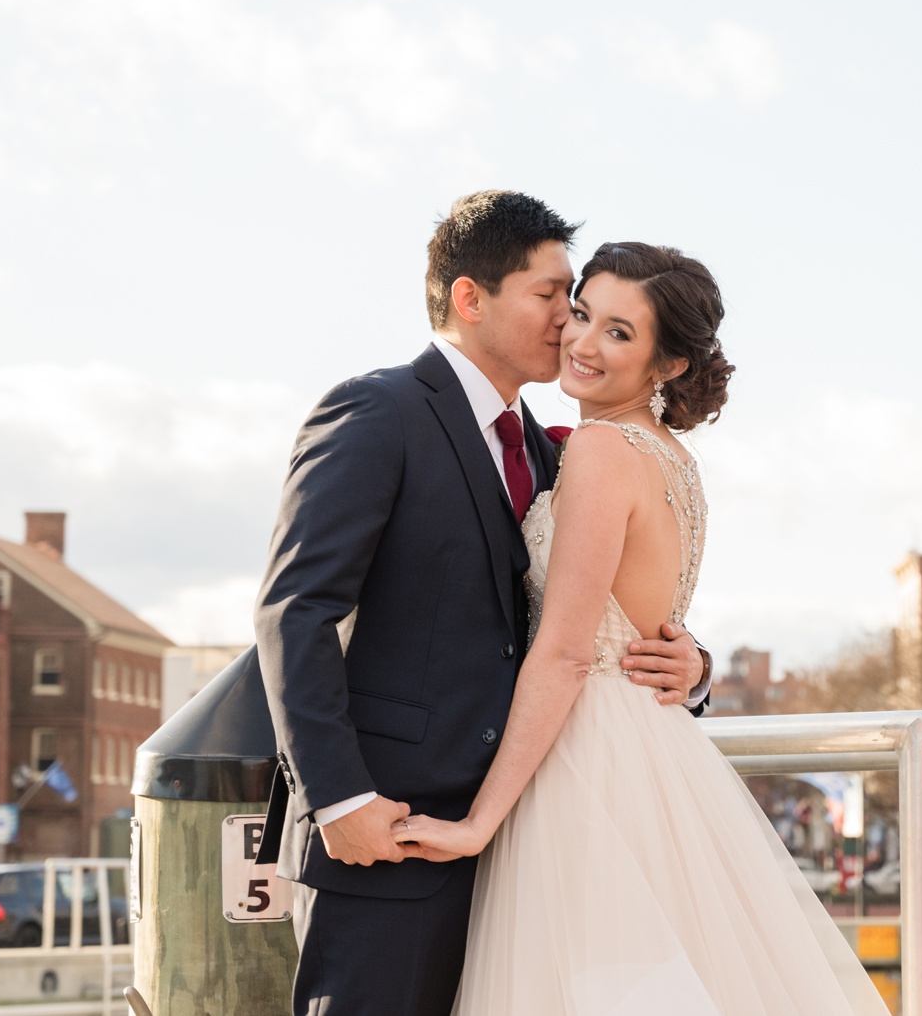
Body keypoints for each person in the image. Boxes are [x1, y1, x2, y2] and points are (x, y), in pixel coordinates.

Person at [397, 242, 887, 1014]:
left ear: (668, 366)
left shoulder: (597, 450)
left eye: (620, 333)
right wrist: (693, 661)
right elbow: (654, 622)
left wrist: (477, 823)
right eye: (583, 314)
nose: (584, 342)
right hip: (654, 756)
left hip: (585, 759)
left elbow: (563, 653)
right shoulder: (673, 460)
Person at [253, 193, 712, 1016]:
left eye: (587, 308)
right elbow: (295, 610)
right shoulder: (376, 411)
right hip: (391, 829)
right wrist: (340, 798)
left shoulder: (553, 449)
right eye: (554, 298)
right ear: (471, 297)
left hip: (527, 835)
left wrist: (691, 663)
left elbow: (579, 615)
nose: (568, 324)